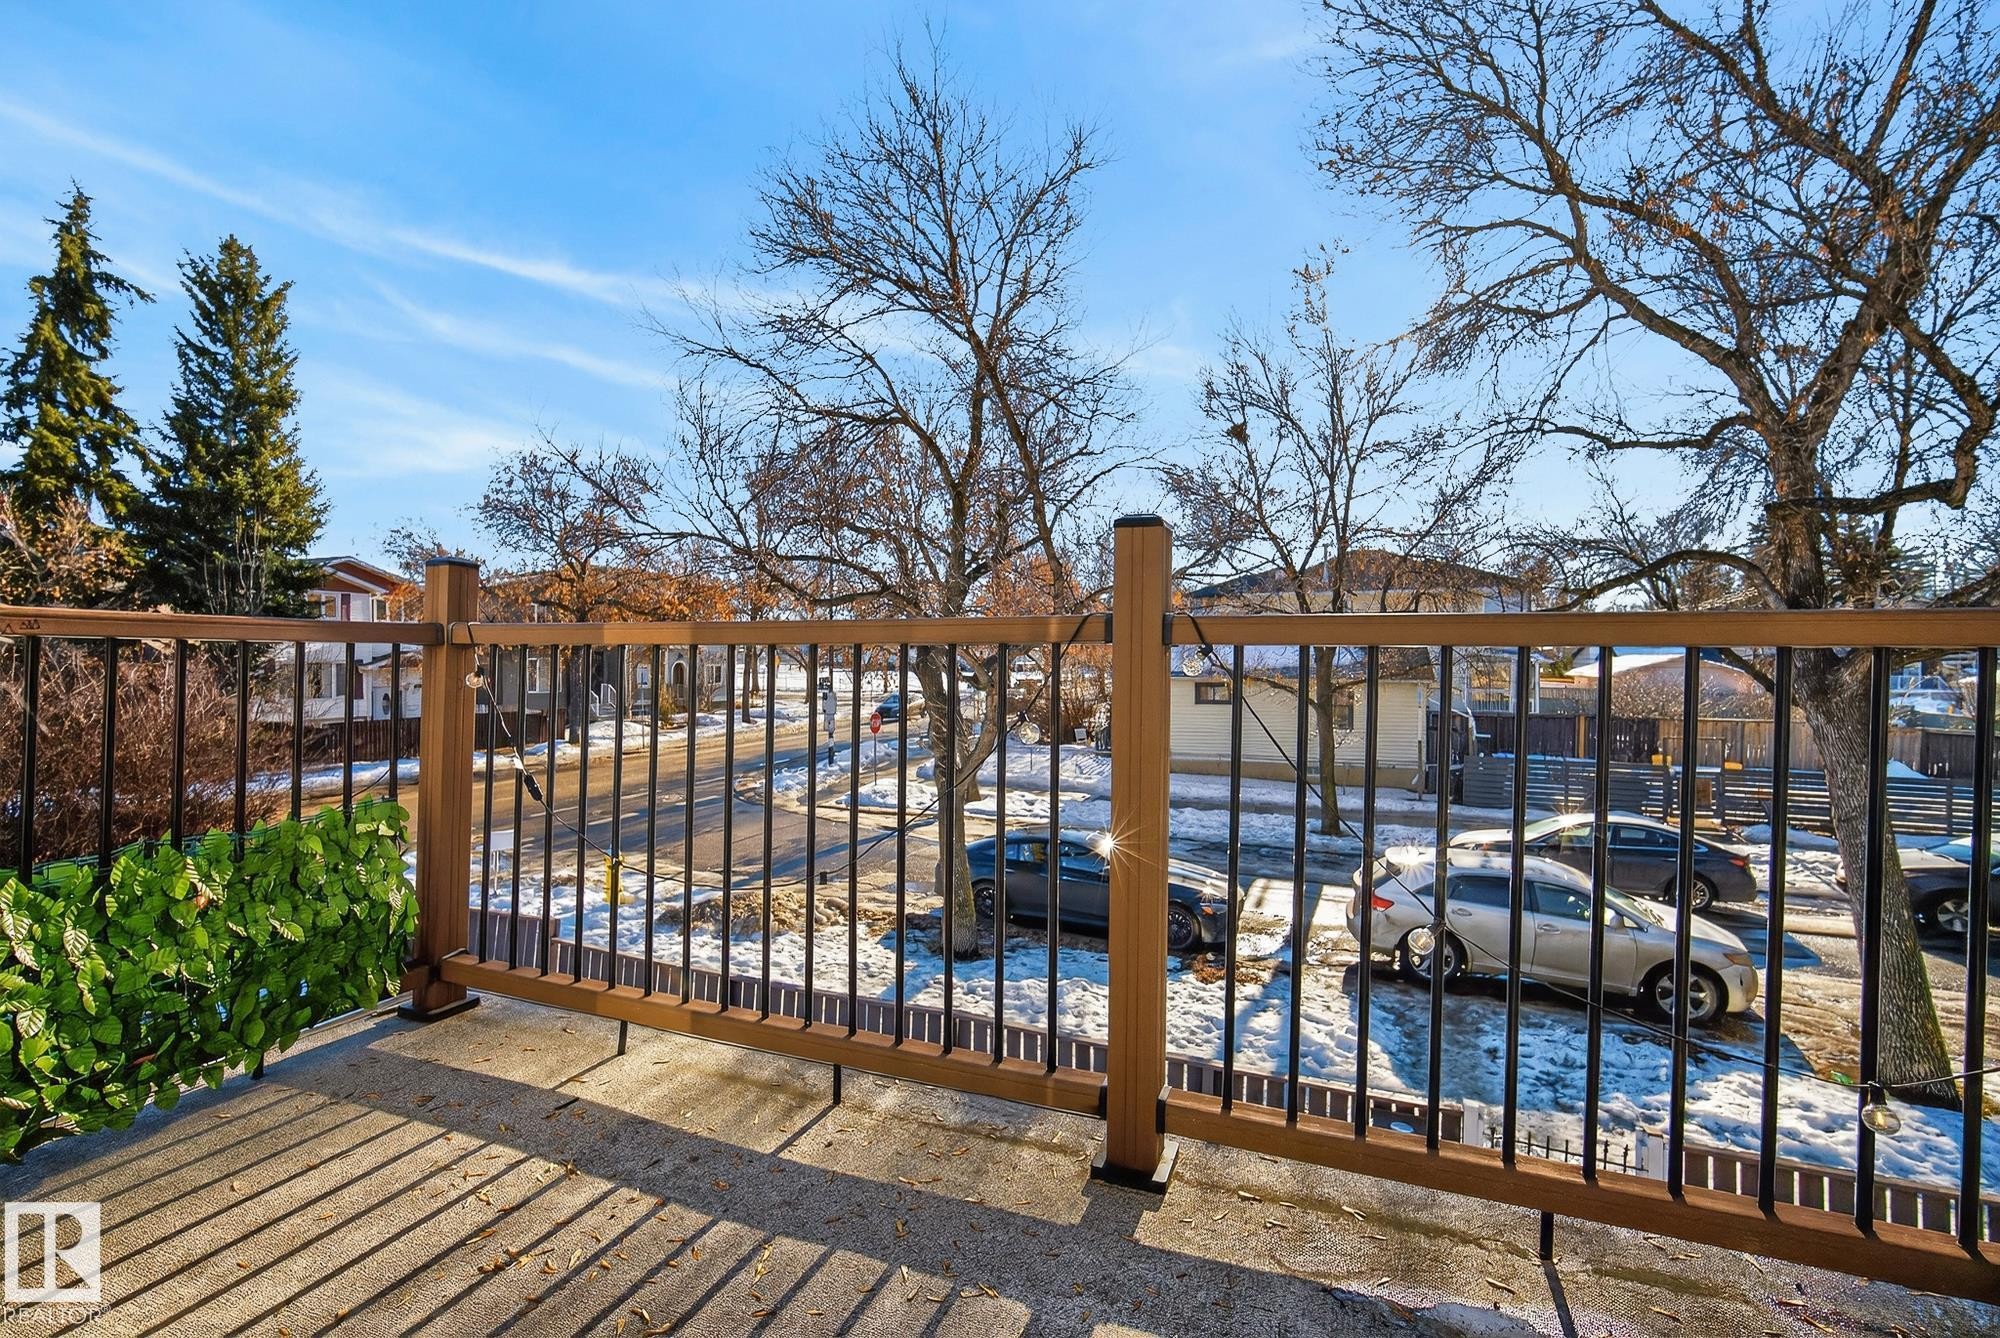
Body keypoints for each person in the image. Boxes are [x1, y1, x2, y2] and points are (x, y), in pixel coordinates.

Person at [820, 679, 838, 765]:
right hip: (830, 715)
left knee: (830, 731)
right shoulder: (832, 695)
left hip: (828, 715)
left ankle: (831, 759)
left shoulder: (827, 696)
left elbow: (824, 706)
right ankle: (831, 757)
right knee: (830, 731)